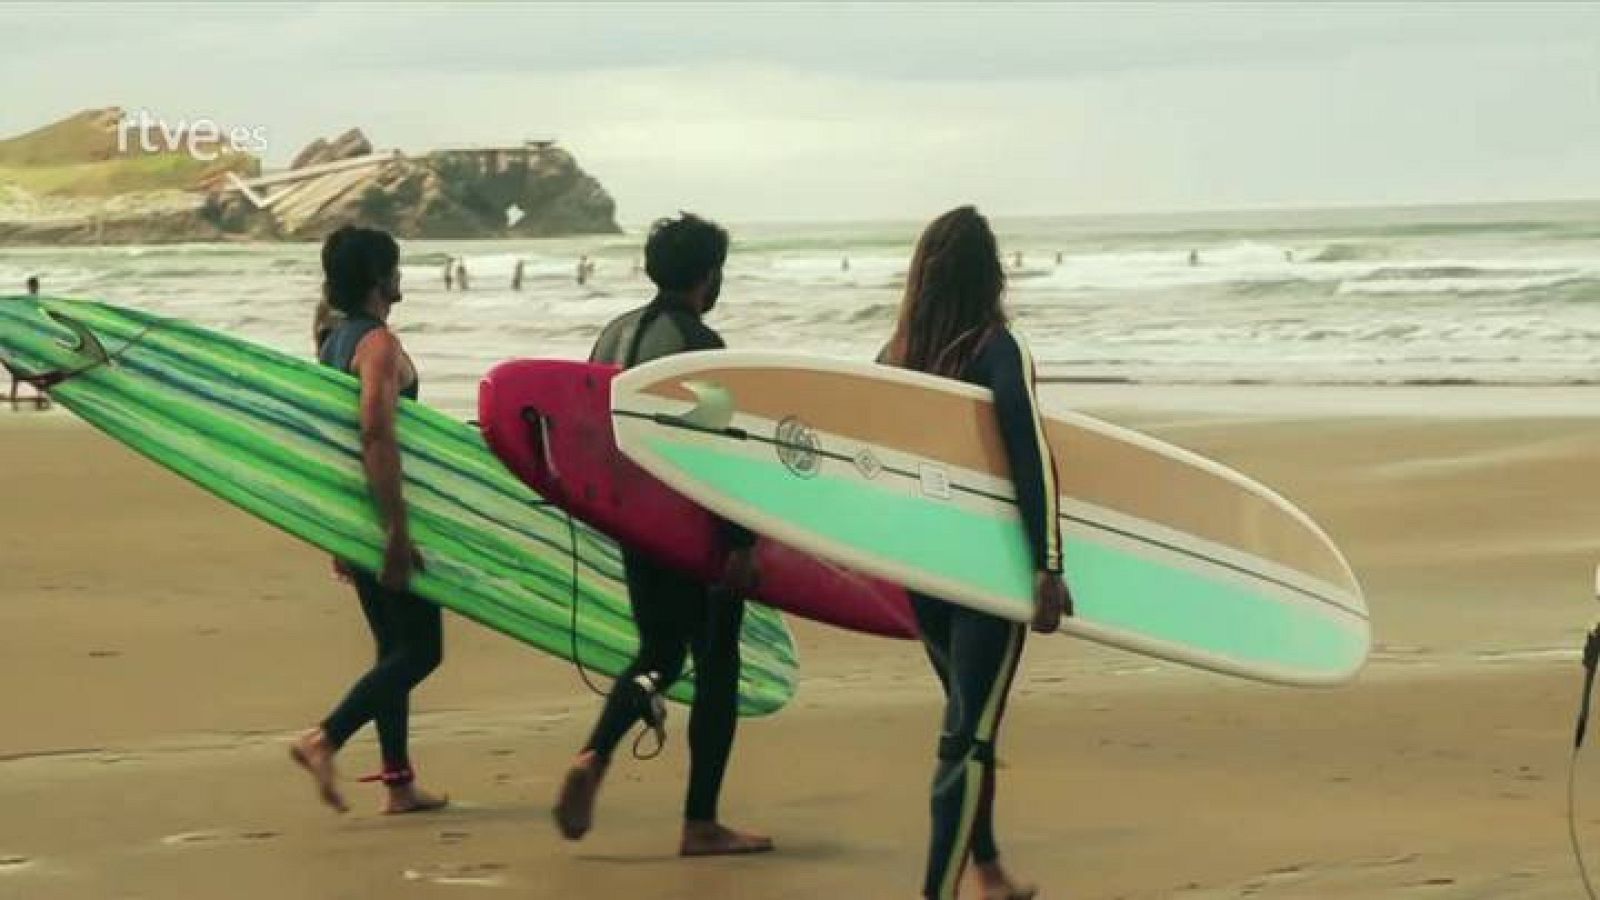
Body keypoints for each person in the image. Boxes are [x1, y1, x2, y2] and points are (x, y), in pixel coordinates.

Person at [552, 213, 772, 857]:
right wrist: (739, 543)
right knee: (717, 666)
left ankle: (595, 754)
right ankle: (700, 821)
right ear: (710, 274)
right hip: (689, 528)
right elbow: (720, 453)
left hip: (631, 519)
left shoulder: (612, 335)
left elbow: (585, 426)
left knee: (658, 654)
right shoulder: (701, 344)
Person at [879, 206, 1070, 900]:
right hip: (985, 572)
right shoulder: (997, 349)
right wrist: (1049, 563)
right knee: (967, 736)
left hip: (921, 573)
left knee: (970, 720)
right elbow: (1031, 456)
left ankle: (988, 870)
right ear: (990, 275)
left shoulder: (893, 356)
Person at [290, 225, 448, 816]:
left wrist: (337, 529)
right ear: (382, 278)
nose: (401, 277)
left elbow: (331, 444)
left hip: (355, 518)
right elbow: (375, 433)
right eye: (397, 267)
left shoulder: (332, 341)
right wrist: (397, 534)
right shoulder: (377, 343)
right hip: (384, 519)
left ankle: (399, 784)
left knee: (392, 651)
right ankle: (324, 738)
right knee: (422, 651)